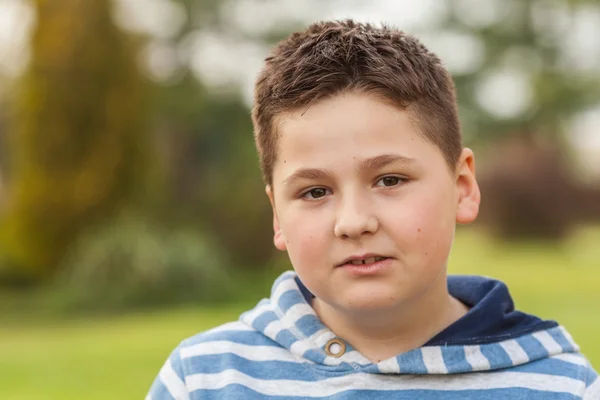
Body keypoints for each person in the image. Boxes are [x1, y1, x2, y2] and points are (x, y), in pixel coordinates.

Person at [147, 20, 599, 399]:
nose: (354, 222)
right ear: (277, 216)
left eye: (389, 180)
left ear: (462, 186)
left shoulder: (562, 386)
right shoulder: (204, 381)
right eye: (314, 192)